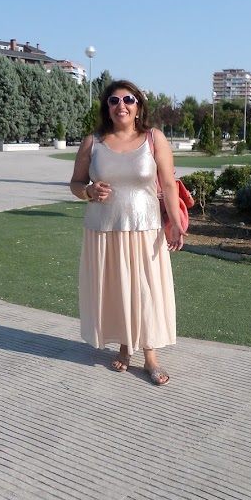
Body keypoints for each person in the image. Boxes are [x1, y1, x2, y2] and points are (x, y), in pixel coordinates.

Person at [69, 80, 185, 386]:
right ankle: (124, 346)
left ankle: (150, 357)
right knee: (117, 289)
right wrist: (89, 191)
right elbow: (75, 184)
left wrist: (175, 223)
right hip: (103, 230)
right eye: (114, 100)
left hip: (145, 229)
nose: (121, 105)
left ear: (138, 105)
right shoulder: (92, 142)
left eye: (128, 99)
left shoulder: (154, 138)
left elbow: (169, 185)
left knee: (146, 290)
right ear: (107, 107)